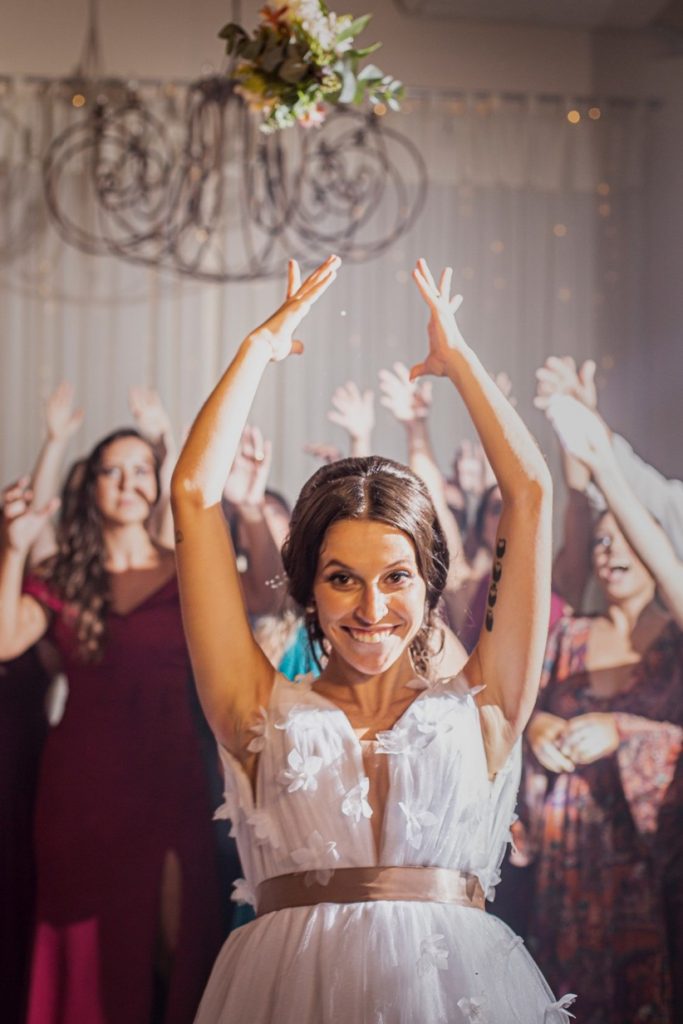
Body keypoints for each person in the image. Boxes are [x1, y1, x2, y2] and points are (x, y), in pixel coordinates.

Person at [171, 254, 574, 1023]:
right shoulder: (254, 710)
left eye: (395, 577)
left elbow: (529, 492)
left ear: (427, 585)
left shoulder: (484, 707)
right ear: (308, 588)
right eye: (341, 579)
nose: (370, 606)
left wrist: (458, 361)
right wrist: (258, 348)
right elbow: (193, 493)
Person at [0, 427, 226, 1024]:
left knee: (174, 944)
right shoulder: (63, 575)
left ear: (157, 483)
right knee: (85, 961)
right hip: (82, 790)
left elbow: (256, 609)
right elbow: (4, 639)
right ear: (92, 484)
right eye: (112, 471)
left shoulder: (189, 569)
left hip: (172, 775)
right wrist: (13, 548)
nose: (128, 483)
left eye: (141, 469)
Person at [525, 392, 683, 1022]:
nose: (610, 552)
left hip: (649, 869)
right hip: (567, 865)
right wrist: (537, 727)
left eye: (627, 540)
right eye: (601, 541)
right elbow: (518, 713)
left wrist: (623, 731)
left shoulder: (675, 644)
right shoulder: (568, 634)